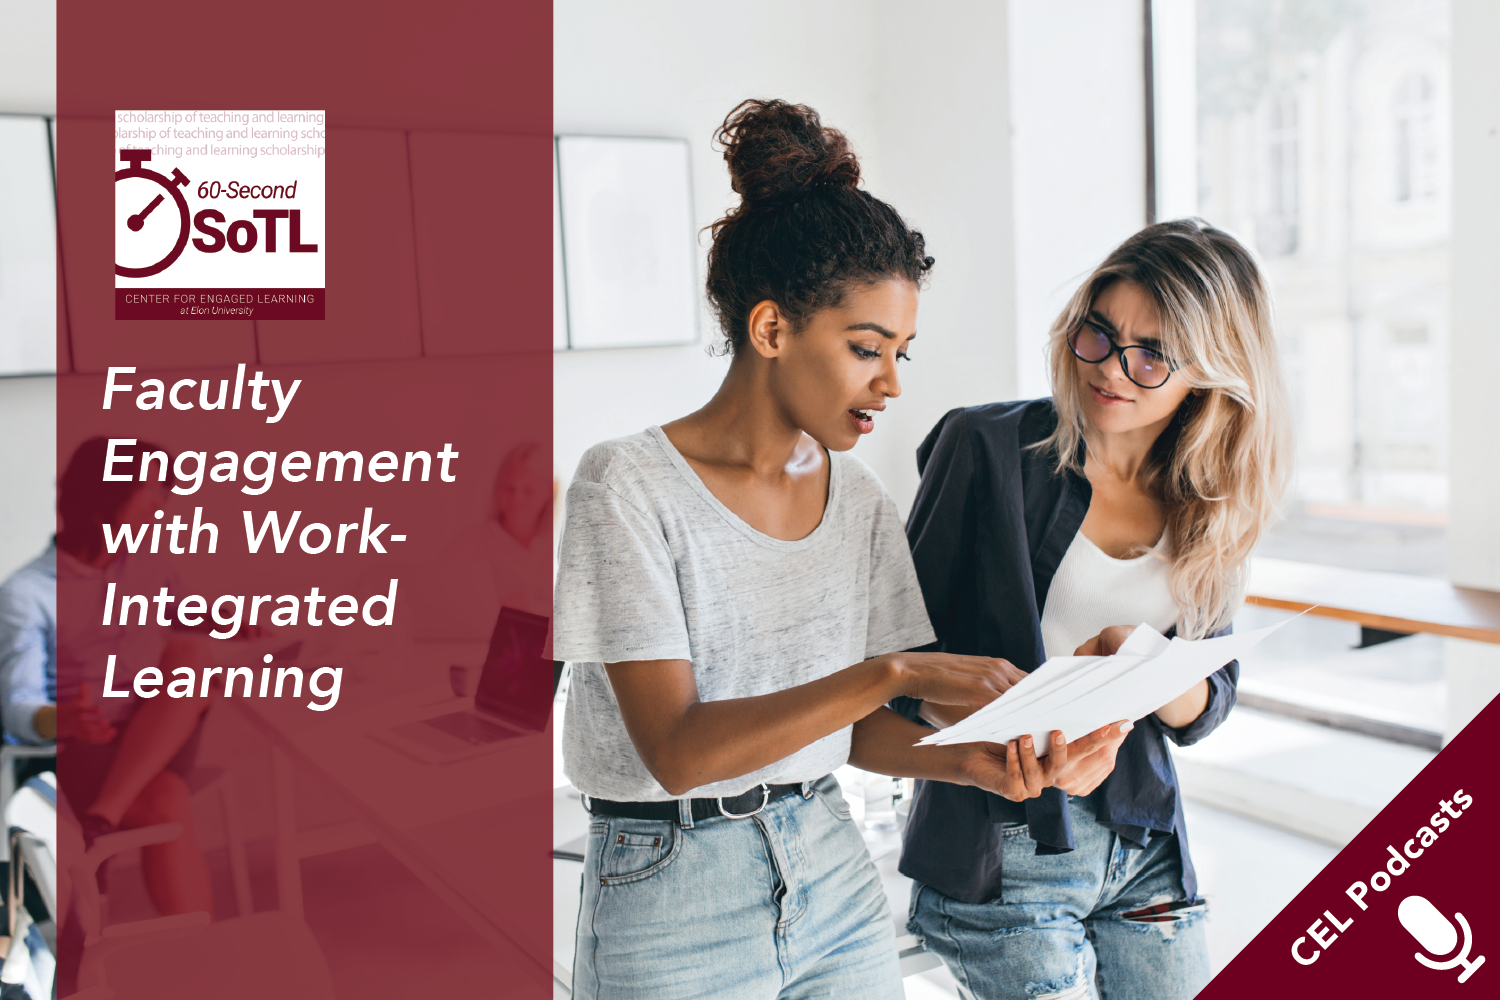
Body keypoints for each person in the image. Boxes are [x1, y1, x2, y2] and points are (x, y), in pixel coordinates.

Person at [553, 99, 1121, 1000]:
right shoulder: (625, 486)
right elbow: (679, 750)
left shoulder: (857, 499)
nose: (892, 383)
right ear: (772, 330)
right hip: (668, 888)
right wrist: (899, 672)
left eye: (902, 351)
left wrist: (970, 764)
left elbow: (846, 730)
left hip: (829, 860)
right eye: (867, 348)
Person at [894, 219, 1291, 1000]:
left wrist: (1149, 667)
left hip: (1143, 842)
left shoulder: (1211, 498)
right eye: (1099, 335)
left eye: (1152, 357)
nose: (1112, 370)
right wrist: (1012, 712)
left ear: (1211, 372)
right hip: (1003, 844)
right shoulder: (986, 449)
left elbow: (1207, 705)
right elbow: (895, 668)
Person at [51, 437, 217, 917]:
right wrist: (65, 719)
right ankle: (206, 958)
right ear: (106, 496)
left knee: (189, 652)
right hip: (78, 745)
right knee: (167, 799)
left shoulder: (145, 562)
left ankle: (101, 817)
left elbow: (178, 610)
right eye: (152, 494)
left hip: (151, 727)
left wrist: (226, 620)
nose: (161, 508)